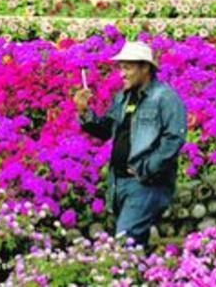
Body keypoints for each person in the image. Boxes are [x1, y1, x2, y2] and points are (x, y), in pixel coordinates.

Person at [74, 41, 187, 249]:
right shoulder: (123, 98)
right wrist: (83, 112)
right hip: (120, 183)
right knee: (134, 246)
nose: (121, 74)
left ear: (145, 68)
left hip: (146, 185)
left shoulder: (165, 98)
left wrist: (147, 168)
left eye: (127, 67)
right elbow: (106, 129)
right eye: (120, 67)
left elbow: (174, 138)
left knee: (123, 243)